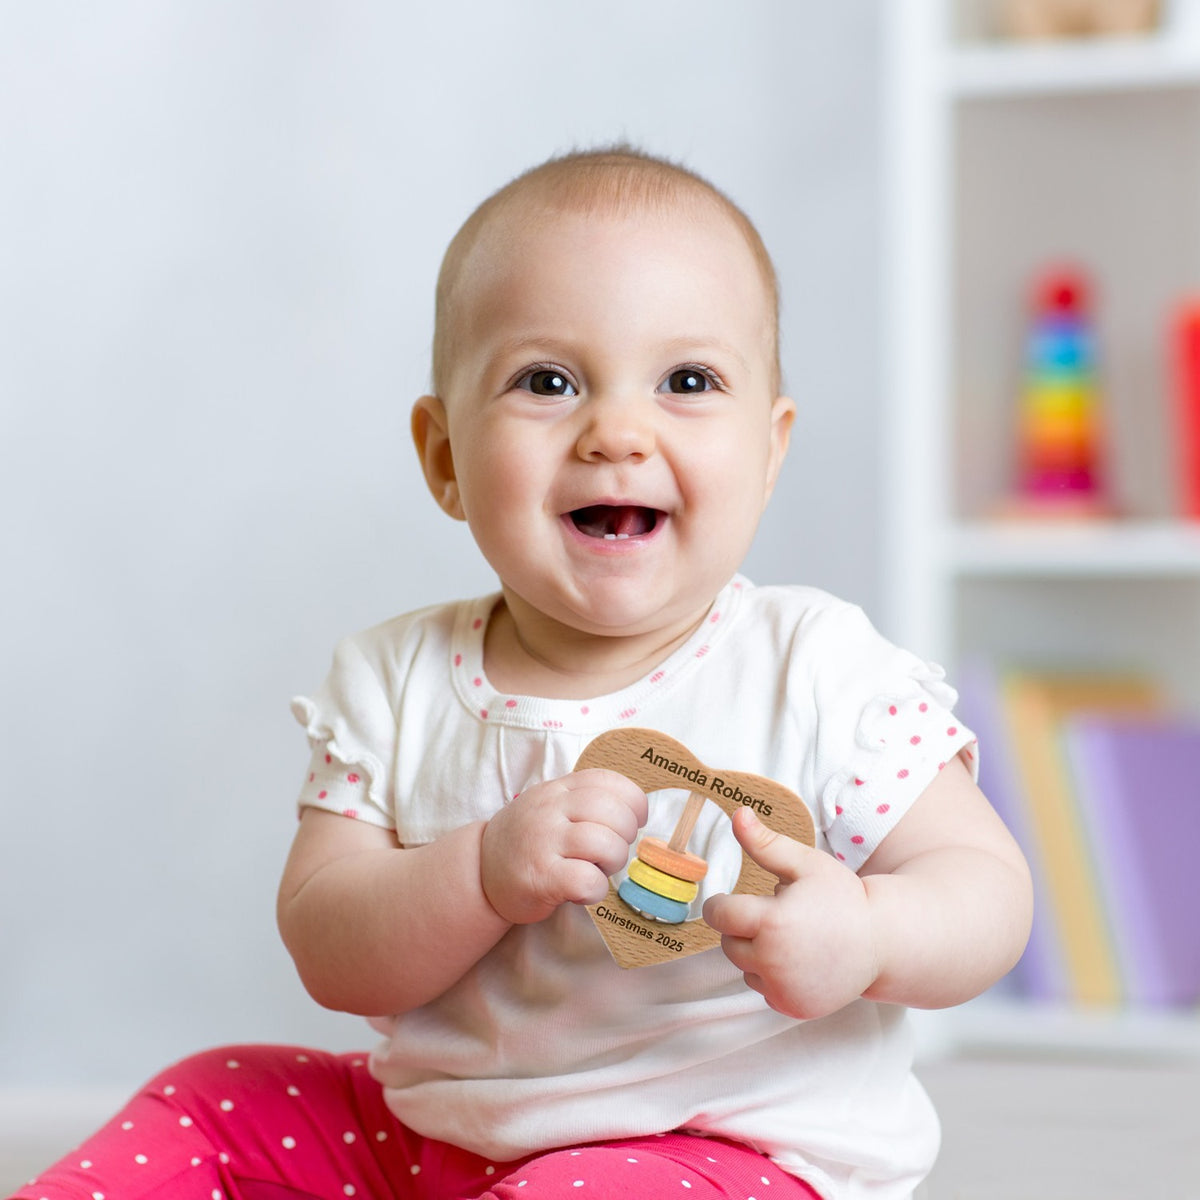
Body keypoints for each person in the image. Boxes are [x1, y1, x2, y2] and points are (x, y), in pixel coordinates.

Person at [13, 146, 1032, 1200]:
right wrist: (482, 871)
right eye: (548, 381)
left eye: (688, 381)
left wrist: (867, 936)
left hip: (721, 1153)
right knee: (214, 1099)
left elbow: (987, 892)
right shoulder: (395, 681)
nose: (617, 433)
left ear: (769, 451)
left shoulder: (811, 669)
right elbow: (330, 947)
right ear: (446, 455)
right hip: (427, 1140)